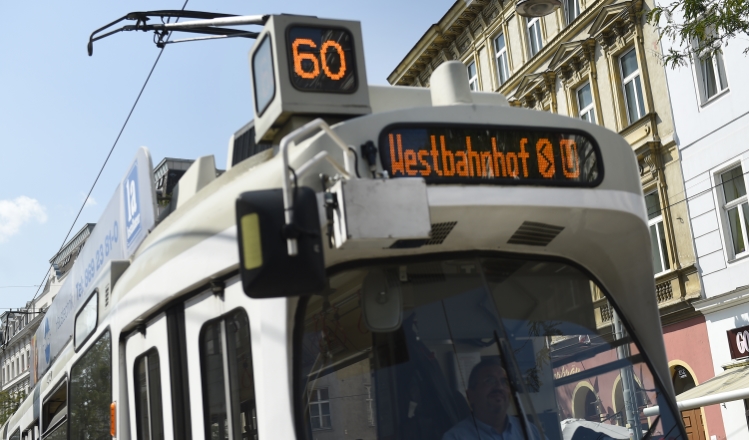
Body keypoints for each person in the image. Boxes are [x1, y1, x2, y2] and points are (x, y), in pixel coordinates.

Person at [442, 358, 542, 440]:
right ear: (470, 395)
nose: (499, 387)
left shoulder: (529, 431)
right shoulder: (454, 437)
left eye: (504, 382)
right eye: (490, 381)